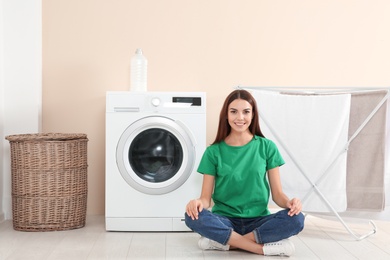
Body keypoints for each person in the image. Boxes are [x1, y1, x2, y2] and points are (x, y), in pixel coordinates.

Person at [185, 89, 304, 256]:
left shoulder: (267, 147)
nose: (240, 117)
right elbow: (206, 199)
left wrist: (290, 203)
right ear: (226, 115)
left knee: (297, 219)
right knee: (192, 216)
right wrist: (197, 203)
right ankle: (259, 248)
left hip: (259, 220)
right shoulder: (213, 152)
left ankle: (225, 242)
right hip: (225, 219)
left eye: (246, 112)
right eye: (234, 112)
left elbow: (278, 195)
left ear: (253, 115)